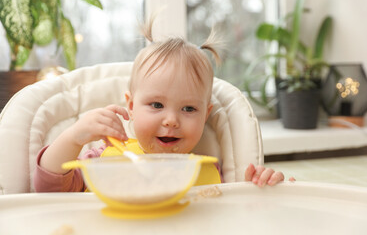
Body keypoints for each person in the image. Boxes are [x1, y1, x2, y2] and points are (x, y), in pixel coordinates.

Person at [34, 19, 293, 192]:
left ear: (206, 115)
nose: (171, 120)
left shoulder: (210, 173)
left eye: (189, 109)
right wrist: (74, 136)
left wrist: (263, 187)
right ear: (131, 107)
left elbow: (238, 214)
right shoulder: (103, 158)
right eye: (156, 104)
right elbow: (48, 188)